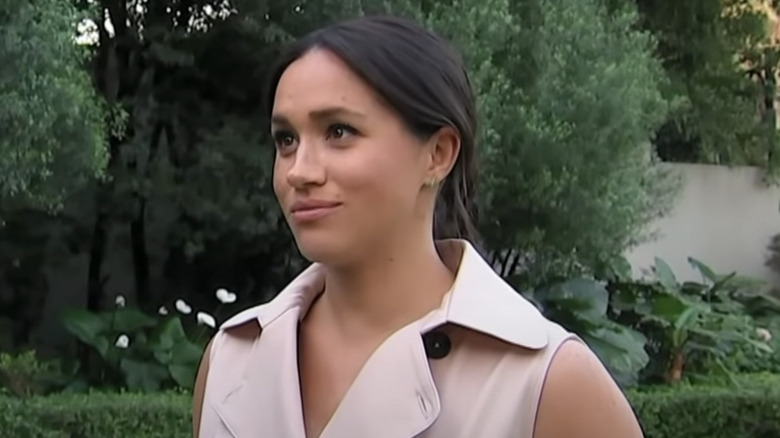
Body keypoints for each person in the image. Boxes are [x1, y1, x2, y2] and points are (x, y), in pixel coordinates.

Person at [192, 14, 644, 438]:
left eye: (338, 131)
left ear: (438, 154)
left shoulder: (550, 383)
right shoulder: (231, 361)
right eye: (286, 140)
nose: (299, 171)